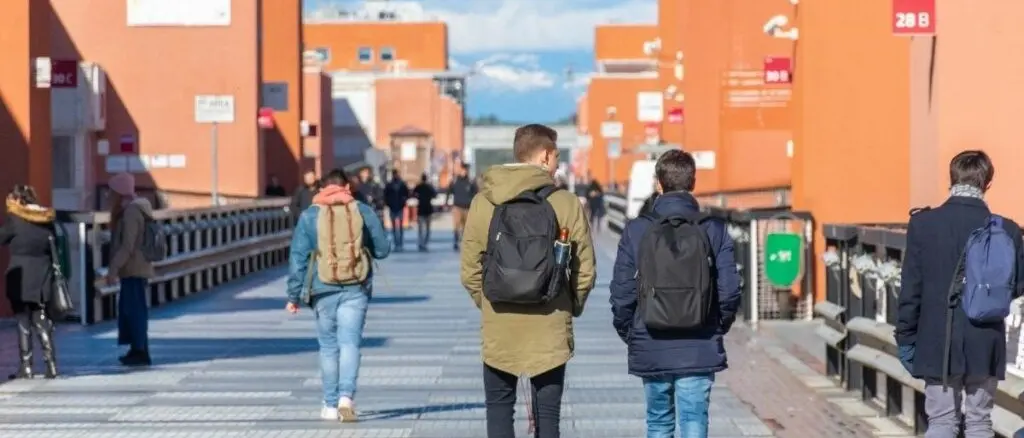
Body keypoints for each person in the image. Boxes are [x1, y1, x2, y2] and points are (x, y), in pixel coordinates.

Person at [460, 123, 596, 438]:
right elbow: (584, 268)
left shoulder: (484, 202)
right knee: (548, 418)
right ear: (545, 156)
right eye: (557, 156)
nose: (558, 163)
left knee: (498, 410)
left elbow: (469, 269)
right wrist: (569, 305)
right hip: (550, 322)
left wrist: (490, 302)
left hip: (500, 324)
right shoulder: (565, 203)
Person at [609, 150, 742, 438]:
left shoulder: (637, 230)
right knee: (694, 421)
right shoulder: (713, 229)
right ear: (693, 183)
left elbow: (622, 292)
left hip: (651, 339)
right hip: (699, 342)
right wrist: (716, 325)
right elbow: (730, 291)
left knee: (658, 422)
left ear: (658, 184)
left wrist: (630, 331)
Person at [896, 150, 1024, 438]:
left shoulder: (923, 225)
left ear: (951, 179)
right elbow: (1016, 285)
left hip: (937, 341)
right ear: (987, 183)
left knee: (942, 423)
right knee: (980, 422)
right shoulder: (1009, 230)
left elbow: (910, 290)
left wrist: (905, 338)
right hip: (985, 341)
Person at [285, 168, 391, 423]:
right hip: (356, 286)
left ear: (322, 188)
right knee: (350, 343)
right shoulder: (362, 210)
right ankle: (346, 397)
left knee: (329, 347)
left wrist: (293, 296)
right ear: (347, 188)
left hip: (322, 289)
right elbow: (383, 249)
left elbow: (298, 258)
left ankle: (330, 405)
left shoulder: (310, 215)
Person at [0, 185, 64, 379]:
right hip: (42, 276)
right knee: (41, 319)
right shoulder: (47, 220)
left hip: (20, 278)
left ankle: (26, 367)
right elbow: (56, 246)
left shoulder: (15, 221)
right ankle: (51, 365)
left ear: (19, 200)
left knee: (22, 321)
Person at [106, 172, 157, 366]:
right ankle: (138, 349)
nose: (108, 197)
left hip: (134, 268)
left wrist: (113, 269)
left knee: (133, 311)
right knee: (134, 310)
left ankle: (140, 351)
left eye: (111, 192)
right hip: (136, 267)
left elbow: (127, 245)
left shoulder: (131, 212)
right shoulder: (135, 209)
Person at [446, 162, 477, 250]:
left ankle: (465, 242)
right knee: (456, 225)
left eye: (466, 170)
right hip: (457, 207)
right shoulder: (455, 180)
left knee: (466, 227)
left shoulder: (471, 181)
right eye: (463, 170)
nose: (465, 171)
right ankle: (456, 241)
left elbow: (476, 193)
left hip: (467, 207)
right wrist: (447, 202)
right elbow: (449, 191)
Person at [383, 170, 410, 250]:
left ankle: (400, 243)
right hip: (393, 207)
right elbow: (385, 195)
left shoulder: (401, 184)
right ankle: (396, 242)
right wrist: (388, 203)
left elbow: (406, 193)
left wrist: (403, 201)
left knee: (400, 226)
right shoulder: (390, 185)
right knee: (394, 227)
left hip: (399, 207)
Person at [412, 173, 438, 251]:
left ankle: (421, 243)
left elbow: (413, 194)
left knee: (421, 229)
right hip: (428, 209)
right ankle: (425, 243)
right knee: (427, 228)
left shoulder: (418, 187)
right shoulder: (429, 187)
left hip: (421, 209)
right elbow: (435, 195)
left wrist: (418, 197)